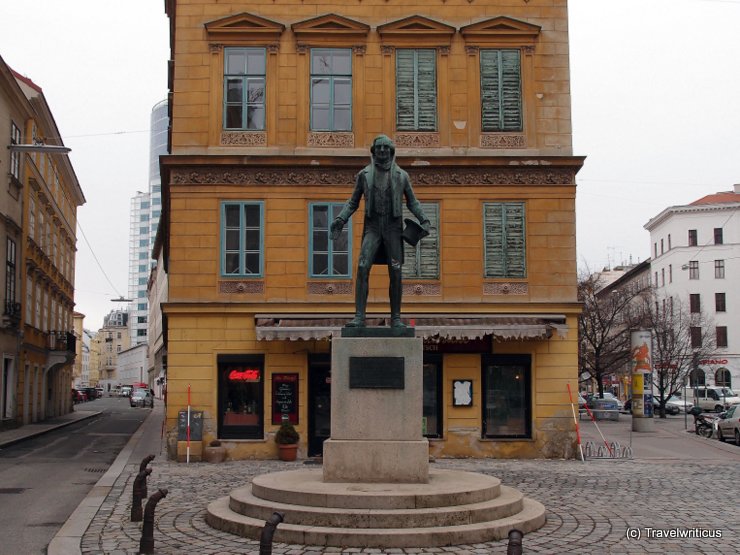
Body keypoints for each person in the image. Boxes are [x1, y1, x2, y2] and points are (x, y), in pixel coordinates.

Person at [330, 135, 430, 328]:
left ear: (391, 151)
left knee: (396, 271)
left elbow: (412, 202)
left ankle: (396, 318)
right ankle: (359, 316)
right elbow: (353, 202)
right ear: (373, 150)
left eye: (386, 148)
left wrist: (424, 219)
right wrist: (340, 219)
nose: (382, 151)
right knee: (362, 267)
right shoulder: (364, 175)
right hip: (373, 228)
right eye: (379, 147)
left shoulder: (402, 176)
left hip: (393, 229)